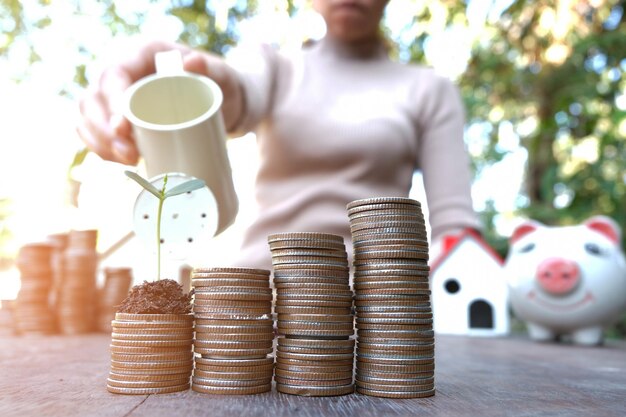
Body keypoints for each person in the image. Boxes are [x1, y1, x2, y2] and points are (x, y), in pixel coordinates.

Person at [77, 0, 481, 271]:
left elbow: (455, 231)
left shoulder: (430, 89)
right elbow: (232, 95)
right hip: (254, 298)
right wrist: (179, 70)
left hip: (373, 317)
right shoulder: (274, 67)